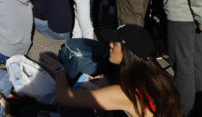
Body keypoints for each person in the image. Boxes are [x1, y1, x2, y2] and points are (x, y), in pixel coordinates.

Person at [38, 24, 182, 117]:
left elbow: (66, 97)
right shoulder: (161, 78)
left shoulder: (126, 93)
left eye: (115, 43)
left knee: (71, 110)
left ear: (127, 52)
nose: (110, 45)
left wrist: (58, 69)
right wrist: (108, 88)